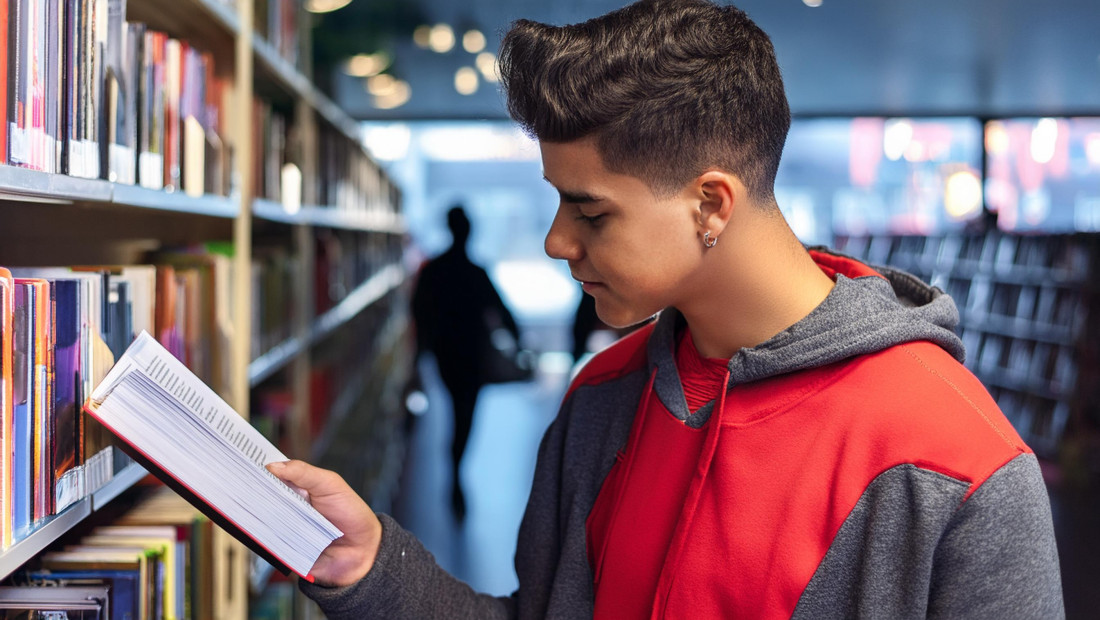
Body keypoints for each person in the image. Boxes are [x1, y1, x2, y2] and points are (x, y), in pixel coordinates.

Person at [268, 0, 1064, 617]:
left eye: (590, 212)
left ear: (710, 205)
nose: (555, 242)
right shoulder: (601, 401)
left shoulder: (957, 464)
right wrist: (372, 568)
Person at [409, 204, 522, 521]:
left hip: (446, 355)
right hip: (472, 357)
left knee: (456, 411)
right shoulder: (474, 271)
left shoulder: (434, 270)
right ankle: (456, 470)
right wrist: (519, 344)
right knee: (464, 415)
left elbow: (419, 314)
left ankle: (455, 469)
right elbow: (501, 312)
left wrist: (420, 356)